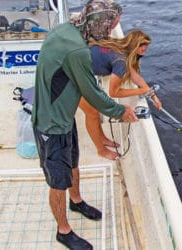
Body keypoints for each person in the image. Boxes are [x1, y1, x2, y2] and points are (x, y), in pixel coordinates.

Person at [31, 1, 138, 249]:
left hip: (64, 115)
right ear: (98, 24)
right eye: (109, 27)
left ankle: (76, 200)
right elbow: (92, 93)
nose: (110, 32)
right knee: (58, 180)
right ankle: (63, 230)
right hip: (51, 124)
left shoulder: (64, 29)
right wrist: (121, 111)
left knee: (73, 162)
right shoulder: (77, 51)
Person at [78, 29, 162, 160]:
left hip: (81, 71)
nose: (144, 54)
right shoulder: (121, 61)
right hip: (71, 74)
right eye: (143, 51)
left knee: (95, 110)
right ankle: (101, 150)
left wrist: (153, 95)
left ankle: (102, 139)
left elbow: (136, 77)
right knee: (93, 113)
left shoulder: (120, 47)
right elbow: (114, 92)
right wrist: (141, 91)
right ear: (135, 47)